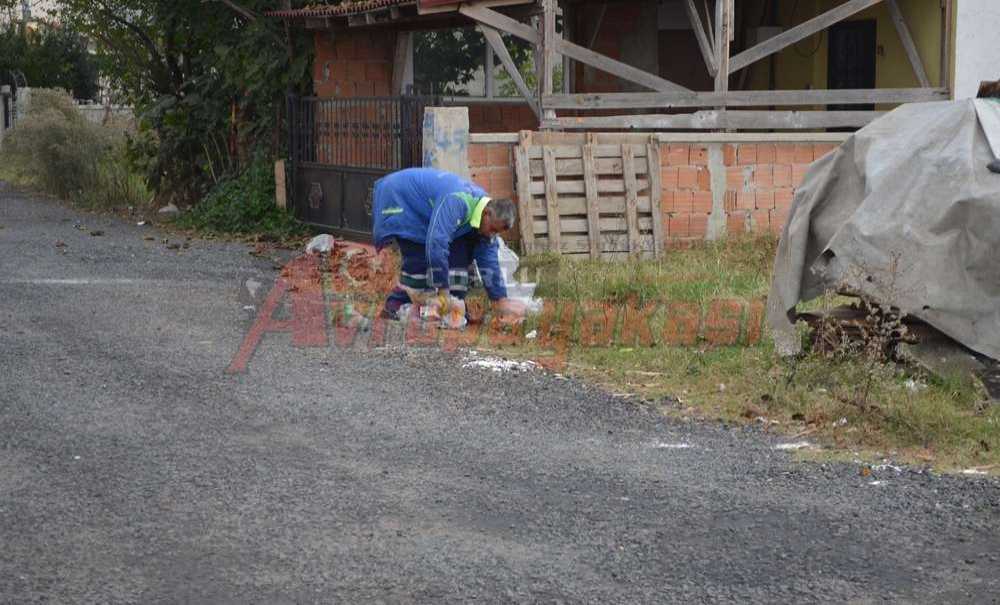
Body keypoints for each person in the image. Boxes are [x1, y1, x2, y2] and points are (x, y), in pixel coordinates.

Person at [371, 167, 520, 320]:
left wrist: (500, 299)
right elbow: (436, 244)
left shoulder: (484, 214)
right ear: (487, 213)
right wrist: (443, 289)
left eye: (497, 232)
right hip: (401, 198)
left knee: (461, 254)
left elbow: (488, 257)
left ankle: (451, 309)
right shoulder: (457, 201)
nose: (492, 234)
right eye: (493, 229)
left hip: (428, 208)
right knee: (419, 260)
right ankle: (395, 306)